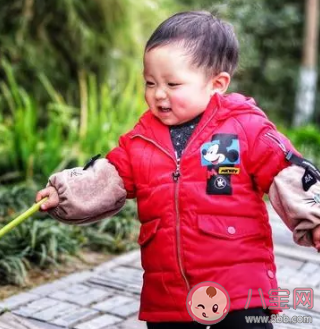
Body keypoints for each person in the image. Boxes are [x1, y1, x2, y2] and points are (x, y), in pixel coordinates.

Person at [35, 10, 320, 329]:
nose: (158, 94)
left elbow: (289, 172)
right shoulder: (139, 141)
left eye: (172, 83)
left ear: (217, 83)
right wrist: (64, 193)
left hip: (240, 292)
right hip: (169, 299)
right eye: (150, 82)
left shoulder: (246, 129)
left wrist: (316, 219)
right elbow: (105, 177)